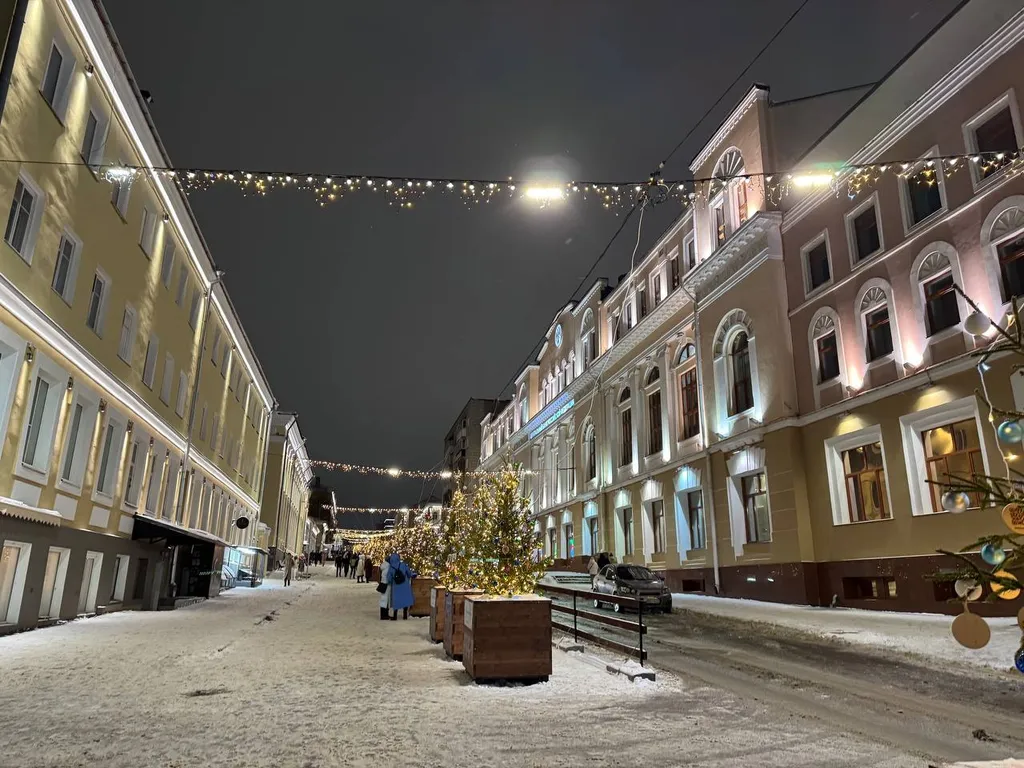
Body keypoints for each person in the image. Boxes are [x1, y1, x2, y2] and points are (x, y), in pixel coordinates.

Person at [383, 553, 415, 620]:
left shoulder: (391, 568)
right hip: (405, 584)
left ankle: (395, 616)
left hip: (396, 586)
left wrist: (391, 581)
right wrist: (412, 575)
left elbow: (389, 578)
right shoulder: (403, 565)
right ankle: (405, 615)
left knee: (396, 600)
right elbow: (409, 573)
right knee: (405, 599)